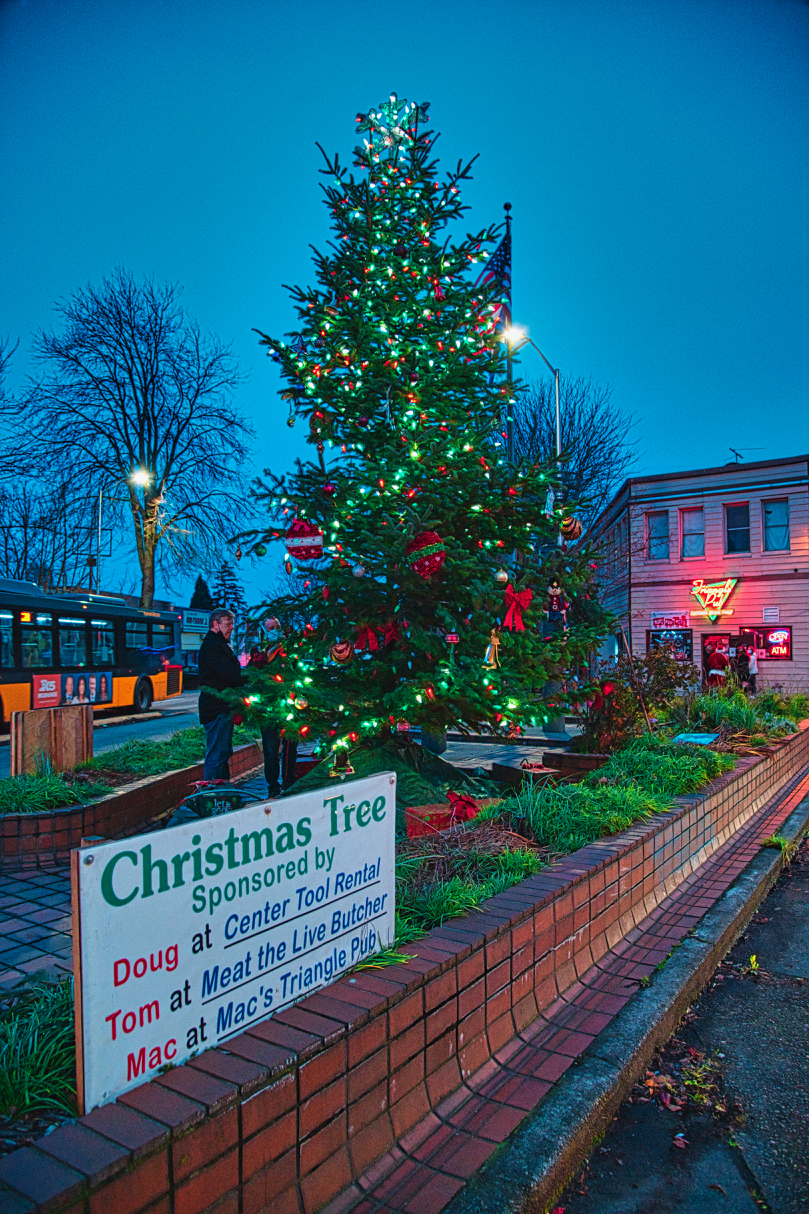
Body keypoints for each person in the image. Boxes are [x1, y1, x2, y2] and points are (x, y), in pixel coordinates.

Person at [249, 617, 298, 796]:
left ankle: (289, 780)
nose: (275, 630)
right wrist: (267, 657)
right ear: (264, 631)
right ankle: (273, 786)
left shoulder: (290, 650)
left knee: (291, 747)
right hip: (269, 709)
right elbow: (252, 672)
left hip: (291, 708)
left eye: (277, 627)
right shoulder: (258, 651)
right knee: (271, 750)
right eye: (271, 628)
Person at [198, 609, 244, 781]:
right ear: (216, 624)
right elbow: (230, 674)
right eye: (228, 624)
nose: (232, 627)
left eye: (232, 624)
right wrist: (253, 674)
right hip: (216, 708)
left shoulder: (218, 645)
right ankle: (212, 794)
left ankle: (222, 791)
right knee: (217, 753)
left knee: (223, 752)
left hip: (222, 708)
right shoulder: (213, 646)